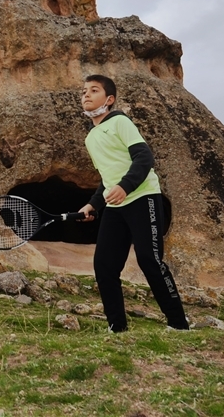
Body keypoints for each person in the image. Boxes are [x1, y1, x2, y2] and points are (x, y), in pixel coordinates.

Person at [77, 74, 189, 332]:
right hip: (116, 207)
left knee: (149, 260)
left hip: (143, 197)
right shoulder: (90, 137)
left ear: (109, 99)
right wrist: (92, 204)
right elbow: (107, 178)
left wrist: (126, 187)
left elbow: (144, 157)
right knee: (104, 266)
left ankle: (178, 324)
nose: (86, 95)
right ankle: (117, 328)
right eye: (83, 91)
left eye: (94, 90)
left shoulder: (119, 121)